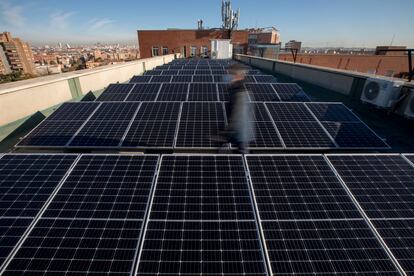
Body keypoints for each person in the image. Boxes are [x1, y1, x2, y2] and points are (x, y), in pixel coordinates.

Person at [217, 63, 254, 154]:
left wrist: (225, 133)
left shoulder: (240, 93)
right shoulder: (236, 90)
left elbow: (238, 117)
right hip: (239, 133)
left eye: (229, 73)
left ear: (237, 76)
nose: (226, 76)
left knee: (241, 158)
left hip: (241, 134)